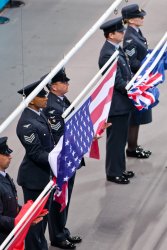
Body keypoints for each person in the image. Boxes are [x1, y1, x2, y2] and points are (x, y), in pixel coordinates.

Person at [43, 69, 82, 249]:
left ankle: (62, 230)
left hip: (69, 155)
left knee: (66, 196)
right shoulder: (51, 106)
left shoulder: (61, 100)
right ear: (53, 87)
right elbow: (59, 133)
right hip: (61, 158)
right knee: (59, 198)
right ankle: (57, 236)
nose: (67, 84)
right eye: (63, 82)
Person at [16, 80, 55, 250]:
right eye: (42, 96)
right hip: (34, 179)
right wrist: (57, 158)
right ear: (32, 100)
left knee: (43, 220)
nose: (46, 98)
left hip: (44, 175)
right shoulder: (26, 125)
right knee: (34, 223)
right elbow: (36, 153)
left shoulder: (39, 114)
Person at [98, 17, 135, 184]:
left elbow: (125, 71)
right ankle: (113, 172)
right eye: (120, 31)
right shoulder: (107, 54)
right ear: (111, 35)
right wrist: (134, 88)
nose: (123, 33)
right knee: (116, 141)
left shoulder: (115, 49)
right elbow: (116, 81)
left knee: (121, 139)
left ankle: (120, 168)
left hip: (123, 103)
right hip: (116, 105)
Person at [0, 136, 45, 246]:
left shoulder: (4, 176)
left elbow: (10, 206)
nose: (10, 157)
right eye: (6, 154)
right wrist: (19, 222)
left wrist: (28, 216)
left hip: (11, 236)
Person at [122, 4, 152, 159]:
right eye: (140, 16)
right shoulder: (129, 39)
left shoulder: (136, 32)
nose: (142, 18)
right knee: (135, 117)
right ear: (131, 20)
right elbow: (132, 62)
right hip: (137, 80)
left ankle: (134, 145)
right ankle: (131, 148)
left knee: (138, 117)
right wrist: (149, 65)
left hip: (142, 79)